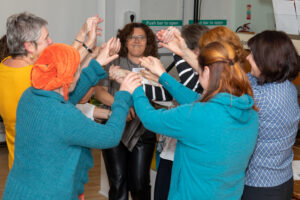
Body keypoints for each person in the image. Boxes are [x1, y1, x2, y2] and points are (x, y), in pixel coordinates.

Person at [121, 41, 259, 199]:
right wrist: (163, 76)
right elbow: (196, 99)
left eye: (198, 71)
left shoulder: (198, 114)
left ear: (206, 71)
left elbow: (150, 119)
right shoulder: (248, 111)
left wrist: (136, 89)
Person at [2, 42, 131, 199]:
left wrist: (96, 65)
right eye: (76, 71)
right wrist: (123, 95)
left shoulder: (29, 95)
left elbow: (67, 96)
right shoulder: (64, 115)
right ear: (68, 77)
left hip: (17, 191)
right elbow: (110, 136)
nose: (78, 75)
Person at [0, 12, 101, 169]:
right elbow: (67, 64)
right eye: (46, 38)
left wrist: (83, 32)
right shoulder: (35, 79)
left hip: (19, 165)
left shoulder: (5, 66)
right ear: (29, 46)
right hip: (44, 168)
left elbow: (61, 59)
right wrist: (89, 43)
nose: (51, 41)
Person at [95, 22, 166, 200]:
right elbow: (99, 92)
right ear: (125, 42)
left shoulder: (153, 65)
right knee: (118, 182)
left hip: (143, 129)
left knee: (140, 183)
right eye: (131, 37)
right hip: (114, 127)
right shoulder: (113, 62)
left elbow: (162, 96)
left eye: (140, 37)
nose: (136, 41)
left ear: (147, 41)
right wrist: (121, 106)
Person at [242, 30, 300, 200]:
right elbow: (242, 79)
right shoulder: (286, 86)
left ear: (265, 60)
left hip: (258, 187)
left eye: (252, 54)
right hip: (282, 181)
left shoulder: (260, 98)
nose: (247, 58)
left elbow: (223, 86)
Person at [153, 23, 208, 200]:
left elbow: (187, 86)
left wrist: (176, 51)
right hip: (171, 152)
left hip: (190, 159)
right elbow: (170, 92)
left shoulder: (208, 76)